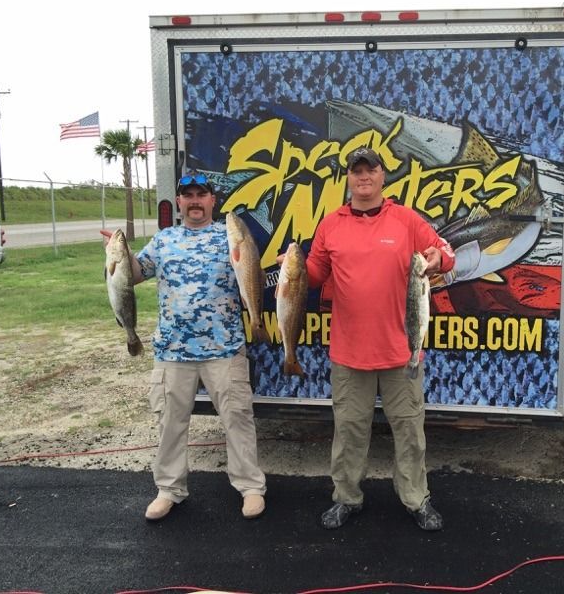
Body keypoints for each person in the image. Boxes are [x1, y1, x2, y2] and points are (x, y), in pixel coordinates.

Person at [301, 146, 455, 531]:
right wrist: (291, 270)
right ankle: (346, 497)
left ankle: (416, 499)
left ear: (383, 176)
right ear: (348, 178)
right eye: (356, 171)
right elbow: (314, 274)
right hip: (349, 354)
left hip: (402, 352)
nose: (363, 176)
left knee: (410, 431)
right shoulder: (330, 224)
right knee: (349, 431)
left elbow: (445, 254)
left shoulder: (405, 219)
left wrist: (437, 259)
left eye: (370, 170)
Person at [104, 173, 266, 521]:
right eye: (187, 195)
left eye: (201, 194)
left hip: (225, 348)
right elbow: (134, 274)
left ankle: (250, 486)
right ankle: (169, 489)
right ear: (178, 202)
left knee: (238, 418)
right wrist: (119, 253)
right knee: (169, 422)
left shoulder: (232, 236)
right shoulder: (164, 240)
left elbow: (251, 274)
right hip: (173, 350)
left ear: (212, 200)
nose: (195, 201)